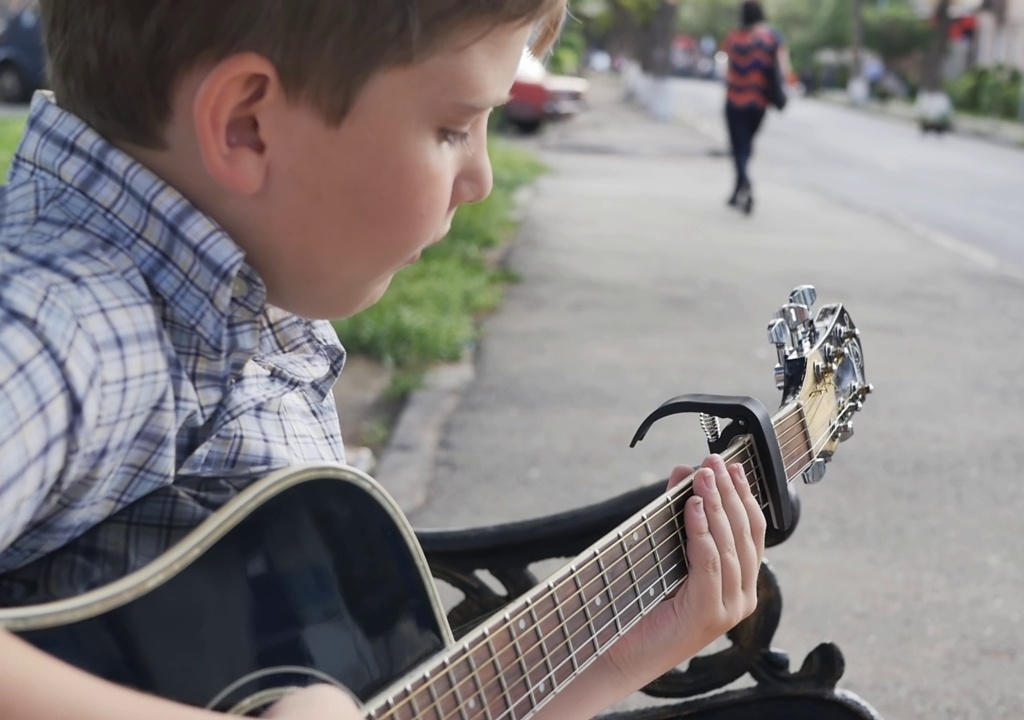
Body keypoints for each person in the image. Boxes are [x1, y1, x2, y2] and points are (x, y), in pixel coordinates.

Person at [0, 2, 768, 720]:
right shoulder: (73, 325)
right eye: (453, 128)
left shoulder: (249, 307)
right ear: (247, 126)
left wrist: (610, 664)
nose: (481, 178)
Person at [720, 0, 790, 216]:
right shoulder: (772, 39)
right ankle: (738, 188)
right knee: (746, 146)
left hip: (734, 101)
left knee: (738, 147)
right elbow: (784, 68)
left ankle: (745, 183)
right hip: (758, 104)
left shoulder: (733, 38)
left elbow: (724, 67)